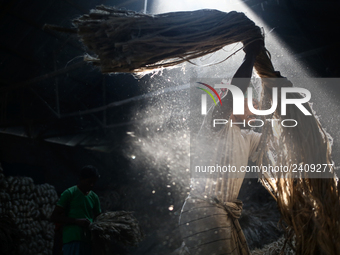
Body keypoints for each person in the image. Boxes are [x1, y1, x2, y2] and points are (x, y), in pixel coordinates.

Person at [179, 40, 271, 255]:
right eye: (252, 105)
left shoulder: (248, 137)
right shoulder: (217, 124)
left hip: (221, 211)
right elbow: (235, 90)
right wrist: (250, 57)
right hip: (204, 209)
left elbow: (275, 141)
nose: (255, 112)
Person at [51, 165, 101, 255]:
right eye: (89, 182)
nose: (92, 185)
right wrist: (76, 221)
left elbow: (99, 218)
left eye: (94, 182)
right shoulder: (69, 193)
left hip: (87, 241)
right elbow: (54, 217)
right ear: (81, 179)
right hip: (71, 240)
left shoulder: (94, 197)